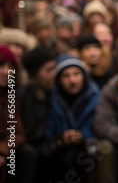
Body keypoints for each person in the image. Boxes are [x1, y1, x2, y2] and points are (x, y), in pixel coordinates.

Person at [44, 54, 100, 182]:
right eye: (66, 76)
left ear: (83, 76)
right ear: (58, 79)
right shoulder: (51, 100)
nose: (72, 80)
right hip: (59, 156)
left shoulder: (96, 97)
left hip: (87, 155)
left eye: (76, 74)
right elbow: (47, 134)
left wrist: (82, 137)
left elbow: (100, 128)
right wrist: (62, 139)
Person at [0, 45, 37, 183]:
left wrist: (3, 151)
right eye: (1, 66)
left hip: (5, 152)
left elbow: (17, 133)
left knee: (27, 154)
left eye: (10, 67)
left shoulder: (11, 95)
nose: (6, 72)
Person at [18, 46, 56, 181]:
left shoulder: (54, 94)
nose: (53, 74)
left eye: (54, 69)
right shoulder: (22, 97)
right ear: (36, 73)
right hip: (30, 151)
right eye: (48, 70)